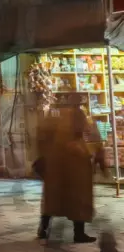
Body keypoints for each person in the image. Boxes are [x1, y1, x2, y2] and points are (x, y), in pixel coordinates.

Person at [36, 100, 96, 244]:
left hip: (55, 163)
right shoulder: (77, 114)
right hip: (75, 163)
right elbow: (88, 131)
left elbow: (41, 135)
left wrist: (45, 155)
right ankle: (79, 233)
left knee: (53, 198)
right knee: (79, 198)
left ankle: (43, 229)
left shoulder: (53, 114)